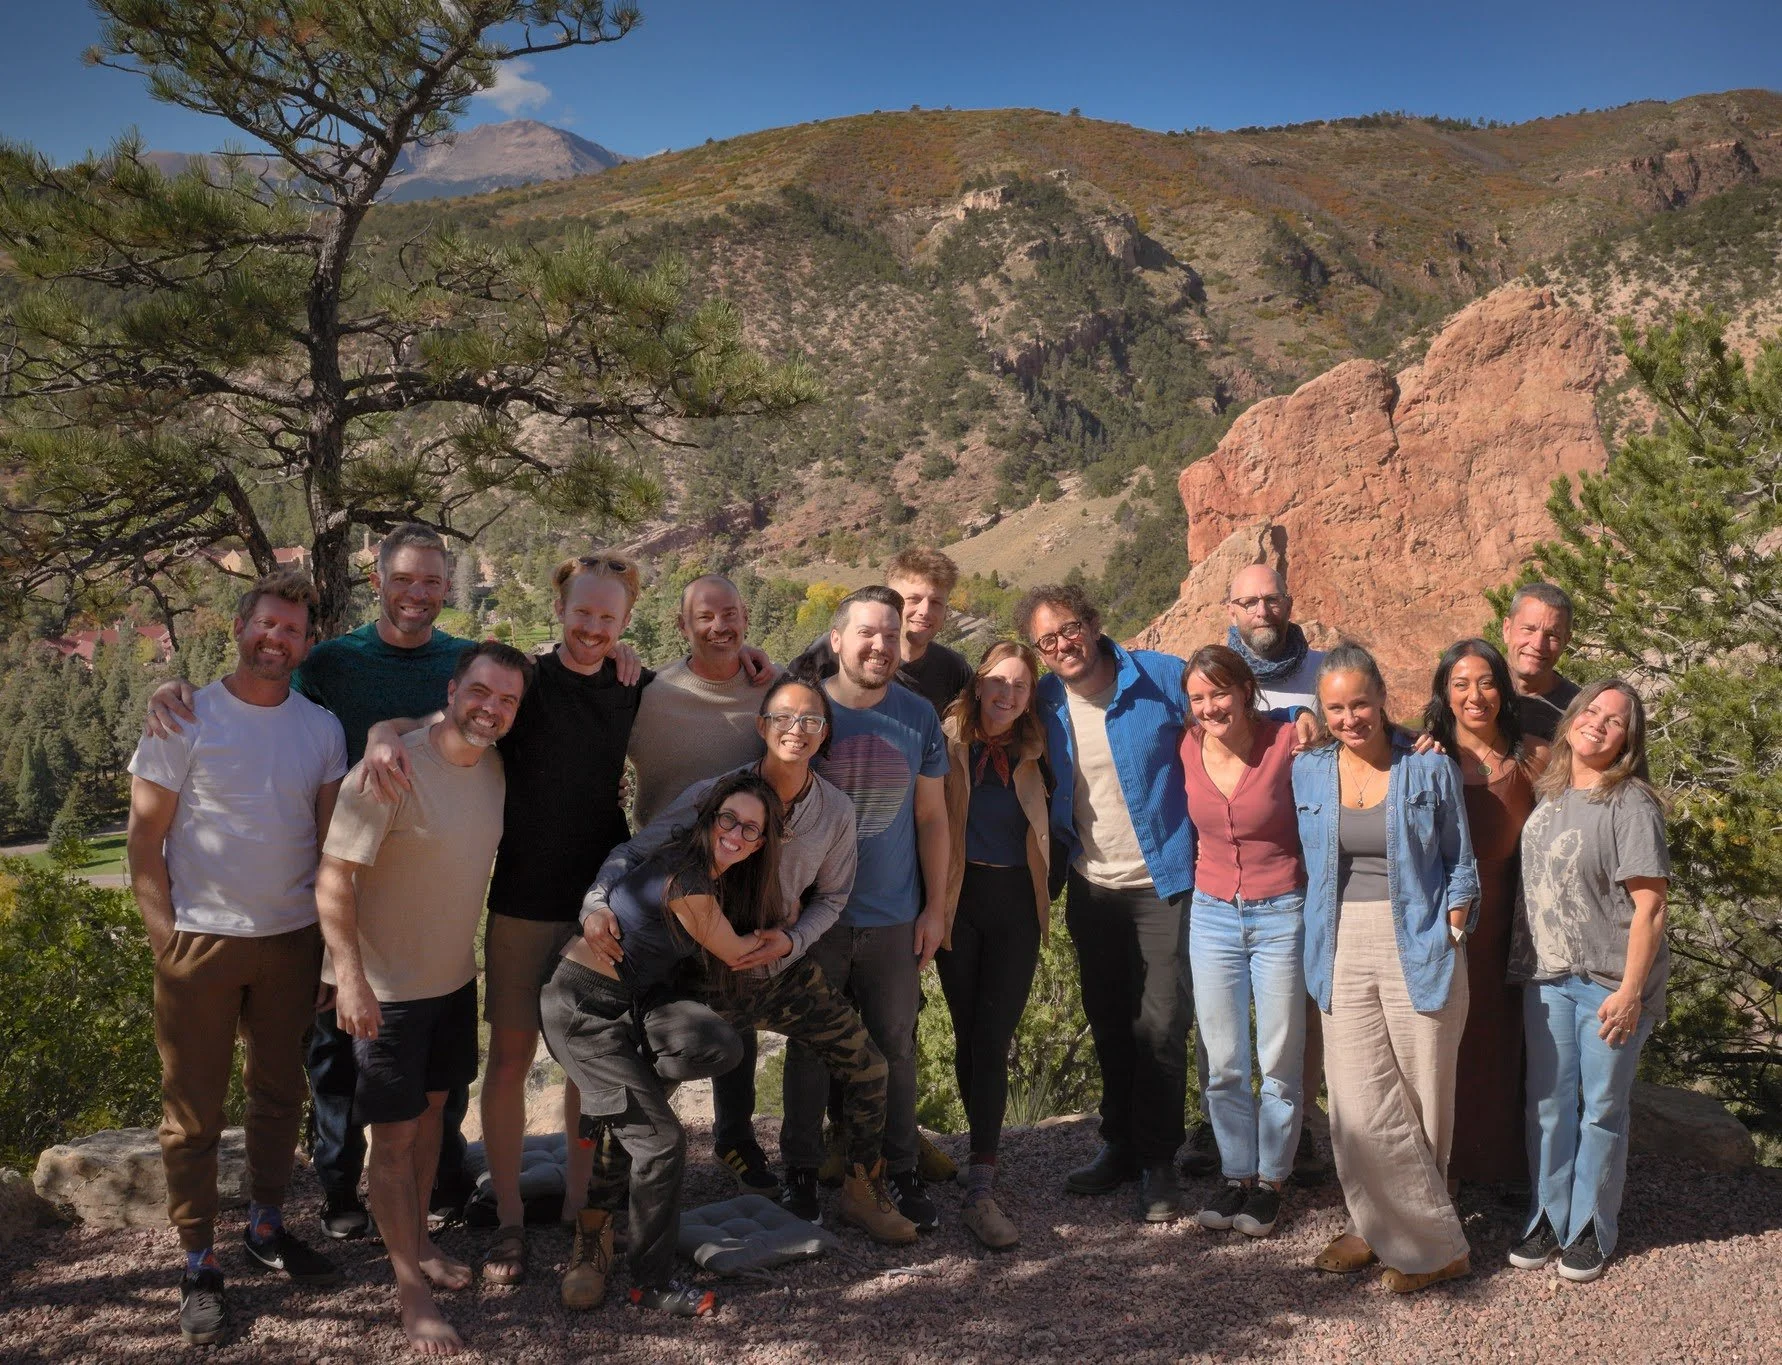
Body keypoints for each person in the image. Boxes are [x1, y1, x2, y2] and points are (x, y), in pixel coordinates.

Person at [141, 524, 538, 1238]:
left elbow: (485, 714)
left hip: (418, 882)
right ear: (378, 580)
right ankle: (339, 1193)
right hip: (340, 877)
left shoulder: (463, 660)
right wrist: (170, 688)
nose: (417, 593)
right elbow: (255, 688)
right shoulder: (331, 660)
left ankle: (438, 1187)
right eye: (404, 579)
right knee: (332, 1059)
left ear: (448, 587)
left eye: (431, 581)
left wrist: (391, 724)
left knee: (432, 1070)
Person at [359, 554, 653, 1289]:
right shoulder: (526, 681)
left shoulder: (632, 684)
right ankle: (513, 1215)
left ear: (625, 623)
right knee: (512, 1061)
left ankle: (585, 1207)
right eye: (582, 613)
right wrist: (380, 732)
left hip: (599, 908)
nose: (592, 628)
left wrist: (756, 657)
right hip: (521, 900)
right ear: (562, 609)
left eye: (607, 619)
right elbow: (452, 717)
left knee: (589, 1062)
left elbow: (711, 690)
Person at [579, 672, 917, 1248]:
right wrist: (595, 901)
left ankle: (864, 1190)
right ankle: (598, 1231)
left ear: (823, 733)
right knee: (640, 1089)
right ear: (763, 727)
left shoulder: (834, 810)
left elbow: (833, 897)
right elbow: (634, 850)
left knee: (868, 1067)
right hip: (698, 974)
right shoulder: (717, 796)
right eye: (784, 717)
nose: (797, 729)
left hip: (778, 970)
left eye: (811, 719)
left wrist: (792, 941)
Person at [125, 571, 348, 1347]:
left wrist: (327, 955)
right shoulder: (185, 716)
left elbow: (329, 851)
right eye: (265, 624)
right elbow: (143, 845)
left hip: (291, 940)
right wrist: (168, 943)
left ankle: (265, 1224)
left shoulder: (322, 729)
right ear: (239, 626)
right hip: (201, 944)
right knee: (191, 1113)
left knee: (279, 1094)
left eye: (291, 630)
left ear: (306, 644)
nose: (275, 639)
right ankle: (197, 1261)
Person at [315, 641, 532, 1357]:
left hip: (451, 980)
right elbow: (334, 877)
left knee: (436, 1111)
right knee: (396, 1136)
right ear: (453, 687)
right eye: (480, 691)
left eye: (506, 699)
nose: (491, 708)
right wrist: (348, 977)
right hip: (389, 991)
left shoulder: (496, 768)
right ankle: (410, 1285)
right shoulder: (391, 767)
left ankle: (423, 1245)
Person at [540, 773, 784, 1318]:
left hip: (631, 1005)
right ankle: (648, 1283)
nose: (736, 834)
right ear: (710, 819)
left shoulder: (700, 873)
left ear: (761, 843)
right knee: (662, 1143)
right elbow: (736, 952)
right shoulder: (690, 882)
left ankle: (619, 1110)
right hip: (583, 1010)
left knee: (719, 1042)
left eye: (751, 828)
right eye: (729, 819)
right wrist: (782, 937)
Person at [1295, 642, 1479, 1293]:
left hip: (1419, 938)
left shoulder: (1427, 766)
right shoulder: (1309, 769)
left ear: (1382, 701)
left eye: (1361, 704)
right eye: (1337, 707)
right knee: (1355, 1096)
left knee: (1423, 1090)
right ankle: (1384, 1228)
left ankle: (1427, 1240)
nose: (1351, 717)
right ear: (1324, 709)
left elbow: (1459, 860)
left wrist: (1453, 926)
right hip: (1339, 941)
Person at [1018, 582, 1194, 1222]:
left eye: (1068, 629)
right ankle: (1118, 1145)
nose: (1062, 645)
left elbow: (1236, 711)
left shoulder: (1163, 678)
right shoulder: (1043, 703)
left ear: (1092, 623)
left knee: (1164, 1025)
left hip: (1165, 880)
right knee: (1112, 1020)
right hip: (1091, 886)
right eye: (1047, 640)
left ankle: (1158, 1161)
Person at [782, 586, 951, 1232]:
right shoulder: (804, 710)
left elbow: (932, 817)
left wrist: (935, 908)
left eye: (891, 633)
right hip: (814, 916)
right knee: (808, 1044)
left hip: (892, 916)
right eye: (867, 633)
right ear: (836, 639)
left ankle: (896, 1170)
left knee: (895, 1047)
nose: (880, 645)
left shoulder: (917, 716)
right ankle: (800, 1172)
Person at [1508, 680, 1669, 1285]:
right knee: (1547, 1106)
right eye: (1593, 711)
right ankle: (1547, 1213)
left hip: (1609, 984)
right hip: (1546, 975)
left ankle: (1591, 1228)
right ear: (1573, 718)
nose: (1599, 724)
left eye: (1616, 721)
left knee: (1601, 1109)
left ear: (1629, 740)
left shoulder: (1631, 804)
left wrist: (1630, 993)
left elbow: (1650, 908)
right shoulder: (1549, 796)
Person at [1179, 645, 1306, 1240]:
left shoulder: (1286, 740)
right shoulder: (1185, 748)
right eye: (1198, 697)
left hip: (1281, 909)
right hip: (1211, 915)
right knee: (1223, 1056)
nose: (1210, 707)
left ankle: (1273, 1182)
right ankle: (1236, 1176)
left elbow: (1363, 739)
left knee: (1279, 1056)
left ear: (1245, 690)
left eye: (1219, 693)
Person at [935, 641, 1056, 1250]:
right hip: (958, 901)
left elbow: (1060, 824)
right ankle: (977, 1150)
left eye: (1021, 686)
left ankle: (981, 1167)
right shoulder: (946, 740)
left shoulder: (1038, 751)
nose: (1008, 695)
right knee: (965, 1031)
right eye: (998, 683)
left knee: (994, 1033)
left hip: (1016, 906)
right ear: (978, 685)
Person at [1422, 638, 1551, 1190]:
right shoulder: (1421, 757)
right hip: (1438, 928)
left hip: (1511, 928)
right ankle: (1440, 1170)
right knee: (1442, 1049)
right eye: (1461, 684)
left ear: (1503, 687)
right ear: (1444, 694)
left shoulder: (1537, 758)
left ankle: (1501, 1169)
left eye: (1487, 681)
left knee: (1502, 1047)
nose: (1476, 696)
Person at [1220, 563, 1331, 1185]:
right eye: (1249, 601)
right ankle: (1227, 1137)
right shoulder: (1217, 678)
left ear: (1288, 604)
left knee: (1299, 1013)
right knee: (1228, 1015)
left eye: (1271, 600)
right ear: (1230, 609)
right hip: (1236, 874)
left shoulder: (1321, 674)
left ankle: (1300, 1130)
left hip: (1310, 867)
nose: (1262, 611)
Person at [626, 574, 773, 828]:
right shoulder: (649, 693)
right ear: (683, 626)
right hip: (662, 860)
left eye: (729, 614)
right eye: (705, 617)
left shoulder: (778, 685)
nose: (719, 626)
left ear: (745, 618)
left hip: (750, 859)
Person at [793, 547, 975, 712]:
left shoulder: (953, 670)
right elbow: (784, 700)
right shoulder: (835, 650)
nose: (925, 611)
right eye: (913, 599)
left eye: (936, 602)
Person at [1501, 582, 1581, 743]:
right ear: (1507, 629)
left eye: (1552, 635)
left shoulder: (1580, 711)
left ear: (1566, 641)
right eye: (1528, 629)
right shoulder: (1471, 694)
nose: (1537, 645)